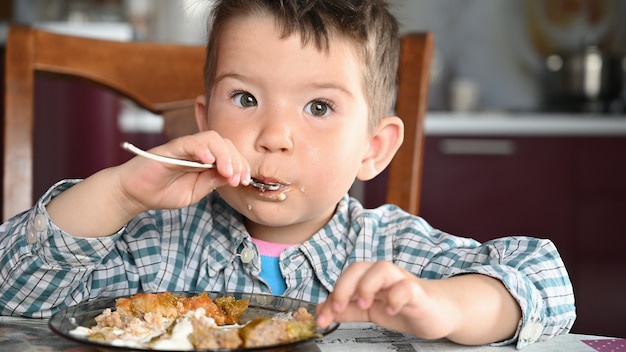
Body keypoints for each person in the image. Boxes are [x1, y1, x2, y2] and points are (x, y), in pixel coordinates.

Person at [0, 0, 574, 348]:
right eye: (245, 98)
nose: (273, 135)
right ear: (205, 119)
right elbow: (13, 291)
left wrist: (446, 306)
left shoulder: (390, 253)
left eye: (318, 108)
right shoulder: (154, 243)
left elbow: (543, 280)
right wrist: (120, 192)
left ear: (374, 149)